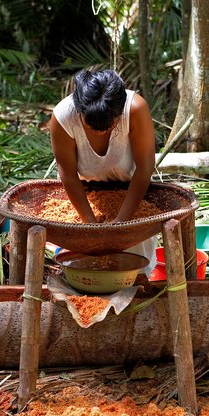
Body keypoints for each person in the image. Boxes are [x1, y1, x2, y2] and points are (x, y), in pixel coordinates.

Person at [49, 68, 157, 275]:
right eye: (91, 125)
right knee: (87, 268)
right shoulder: (63, 117)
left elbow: (144, 169)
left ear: (120, 110)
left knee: (135, 271)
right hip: (84, 195)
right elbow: (69, 175)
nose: (102, 131)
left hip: (132, 192)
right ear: (79, 111)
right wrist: (90, 224)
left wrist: (121, 223)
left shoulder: (135, 109)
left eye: (110, 124)